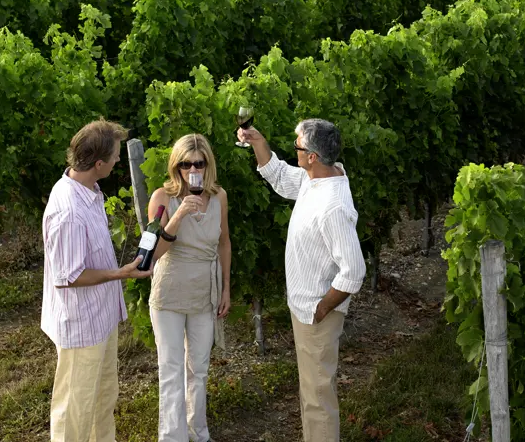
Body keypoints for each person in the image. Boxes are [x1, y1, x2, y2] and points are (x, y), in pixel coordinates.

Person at [238, 118, 366, 442]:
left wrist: (322, 308)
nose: (293, 149)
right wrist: (257, 141)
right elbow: (281, 177)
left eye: (297, 146)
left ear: (312, 156)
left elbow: (354, 270)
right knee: (311, 392)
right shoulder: (317, 177)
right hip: (305, 309)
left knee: (318, 399)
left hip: (315, 314)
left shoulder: (332, 206)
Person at [41, 118, 153, 442]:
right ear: (99, 163)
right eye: (116, 156)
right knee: (74, 411)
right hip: (81, 328)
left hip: (100, 319)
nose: (119, 160)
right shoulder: (68, 211)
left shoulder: (89, 190)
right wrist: (119, 274)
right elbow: (68, 277)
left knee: (103, 400)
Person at [146, 133, 232, 442]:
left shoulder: (219, 196)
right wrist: (179, 214)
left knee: (200, 368)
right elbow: (153, 254)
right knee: (171, 370)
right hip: (169, 293)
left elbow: (224, 244)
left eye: (199, 163)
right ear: (176, 166)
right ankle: (172, 437)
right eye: (185, 164)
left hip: (204, 293)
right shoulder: (161, 198)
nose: (192, 170)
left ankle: (199, 434)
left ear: (208, 164)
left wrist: (225, 290)